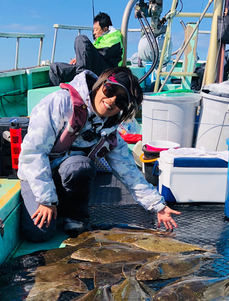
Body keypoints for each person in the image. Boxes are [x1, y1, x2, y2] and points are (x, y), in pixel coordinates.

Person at [18, 66, 180, 241]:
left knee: (80, 165)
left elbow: (129, 172)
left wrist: (158, 206)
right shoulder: (59, 103)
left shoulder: (109, 132)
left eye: (121, 101)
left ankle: (75, 216)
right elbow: (34, 153)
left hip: (67, 178)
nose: (111, 100)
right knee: (38, 234)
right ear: (100, 83)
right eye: (110, 90)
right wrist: (46, 200)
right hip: (38, 176)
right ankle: (56, 205)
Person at [48, 12, 124, 87]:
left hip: (107, 72)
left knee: (81, 39)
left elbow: (104, 53)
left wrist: (82, 55)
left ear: (105, 29)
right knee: (55, 68)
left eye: (96, 30)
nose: (94, 33)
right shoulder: (100, 40)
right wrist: (81, 57)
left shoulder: (114, 37)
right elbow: (91, 54)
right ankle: (59, 97)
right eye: (93, 30)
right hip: (90, 69)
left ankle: (81, 82)